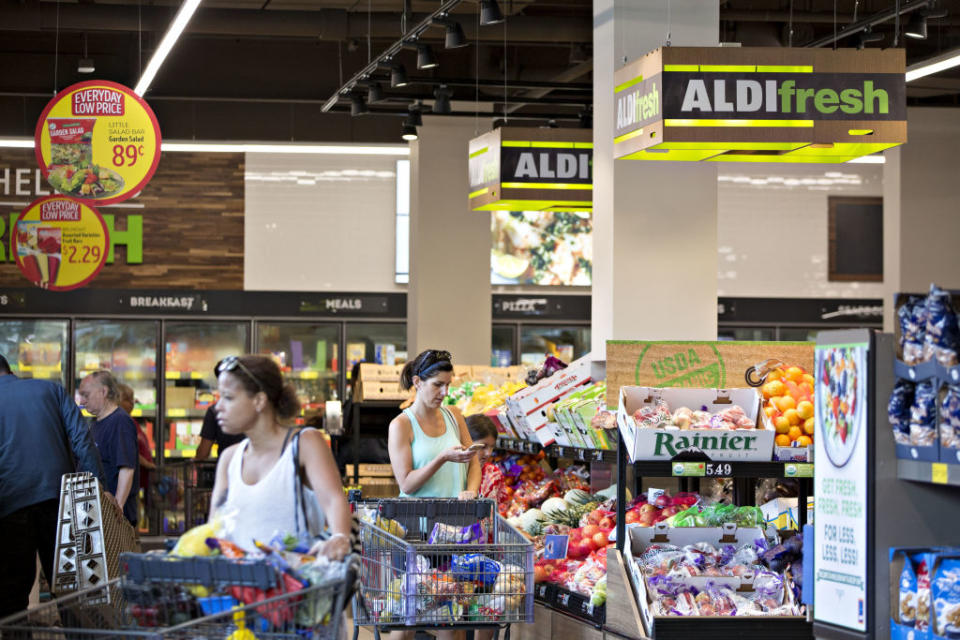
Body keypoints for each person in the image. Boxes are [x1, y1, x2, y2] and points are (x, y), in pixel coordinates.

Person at [209, 355, 352, 559]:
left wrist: (339, 537)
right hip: (238, 585)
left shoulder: (304, 444)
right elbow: (214, 528)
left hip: (293, 585)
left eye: (228, 397)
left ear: (259, 401)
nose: (218, 407)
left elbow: (332, 499)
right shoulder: (229, 459)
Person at [0, 353, 106, 618]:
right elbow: (83, 441)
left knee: (12, 597)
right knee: (72, 590)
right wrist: (97, 491)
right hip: (62, 505)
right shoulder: (51, 389)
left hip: (10, 505)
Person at [388, 349, 481, 500]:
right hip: (416, 518)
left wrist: (471, 491)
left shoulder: (454, 415)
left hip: (457, 518)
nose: (445, 392)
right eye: (437, 385)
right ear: (417, 382)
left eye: (447, 384)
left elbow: (474, 462)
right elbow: (406, 485)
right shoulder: (401, 425)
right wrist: (442, 458)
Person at [78, 370, 141, 527]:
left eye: (86, 395)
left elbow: (127, 469)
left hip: (114, 519)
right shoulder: (96, 423)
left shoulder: (120, 422)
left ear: (104, 391)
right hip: (98, 513)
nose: (82, 401)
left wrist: (117, 508)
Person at [119, 383, 155, 525]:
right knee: (130, 523)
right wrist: (149, 465)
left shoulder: (132, 422)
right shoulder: (123, 422)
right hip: (131, 484)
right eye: (127, 399)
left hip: (141, 481)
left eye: (133, 399)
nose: (132, 403)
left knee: (137, 518)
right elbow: (130, 451)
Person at [196, 360, 246, 460]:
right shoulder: (257, 406)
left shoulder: (215, 411)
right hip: (258, 469)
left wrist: (196, 458)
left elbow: (203, 452)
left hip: (228, 468)